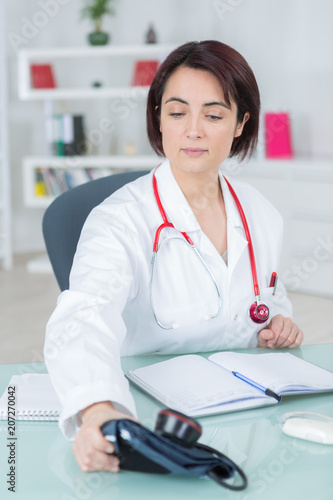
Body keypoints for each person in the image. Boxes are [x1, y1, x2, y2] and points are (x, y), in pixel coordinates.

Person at [44, 40, 303, 473]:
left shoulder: (261, 213)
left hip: (243, 417)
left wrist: (276, 324)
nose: (193, 130)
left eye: (214, 115)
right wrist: (98, 410)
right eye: (178, 112)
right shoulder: (120, 220)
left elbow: (268, 302)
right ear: (159, 119)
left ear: (241, 123)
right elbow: (82, 317)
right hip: (148, 416)